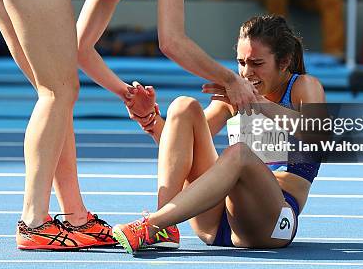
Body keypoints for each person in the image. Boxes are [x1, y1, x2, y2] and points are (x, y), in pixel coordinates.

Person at [0, 0, 258, 250]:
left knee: (57, 99)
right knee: (58, 93)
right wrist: (230, 79)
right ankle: (33, 221)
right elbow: (171, 42)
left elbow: (81, 46)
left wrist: (123, 91)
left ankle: (75, 217)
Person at [112, 14, 325, 253]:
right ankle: (163, 228)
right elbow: (180, 151)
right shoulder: (234, 98)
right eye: (241, 63)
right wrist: (149, 119)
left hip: (272, 222)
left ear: (284, 62)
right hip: (215, 220)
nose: (246, 73)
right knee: (183, 107)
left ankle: (152, 224)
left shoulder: (304, 87)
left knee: (239, 154)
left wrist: (258, 104)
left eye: (256, 63)